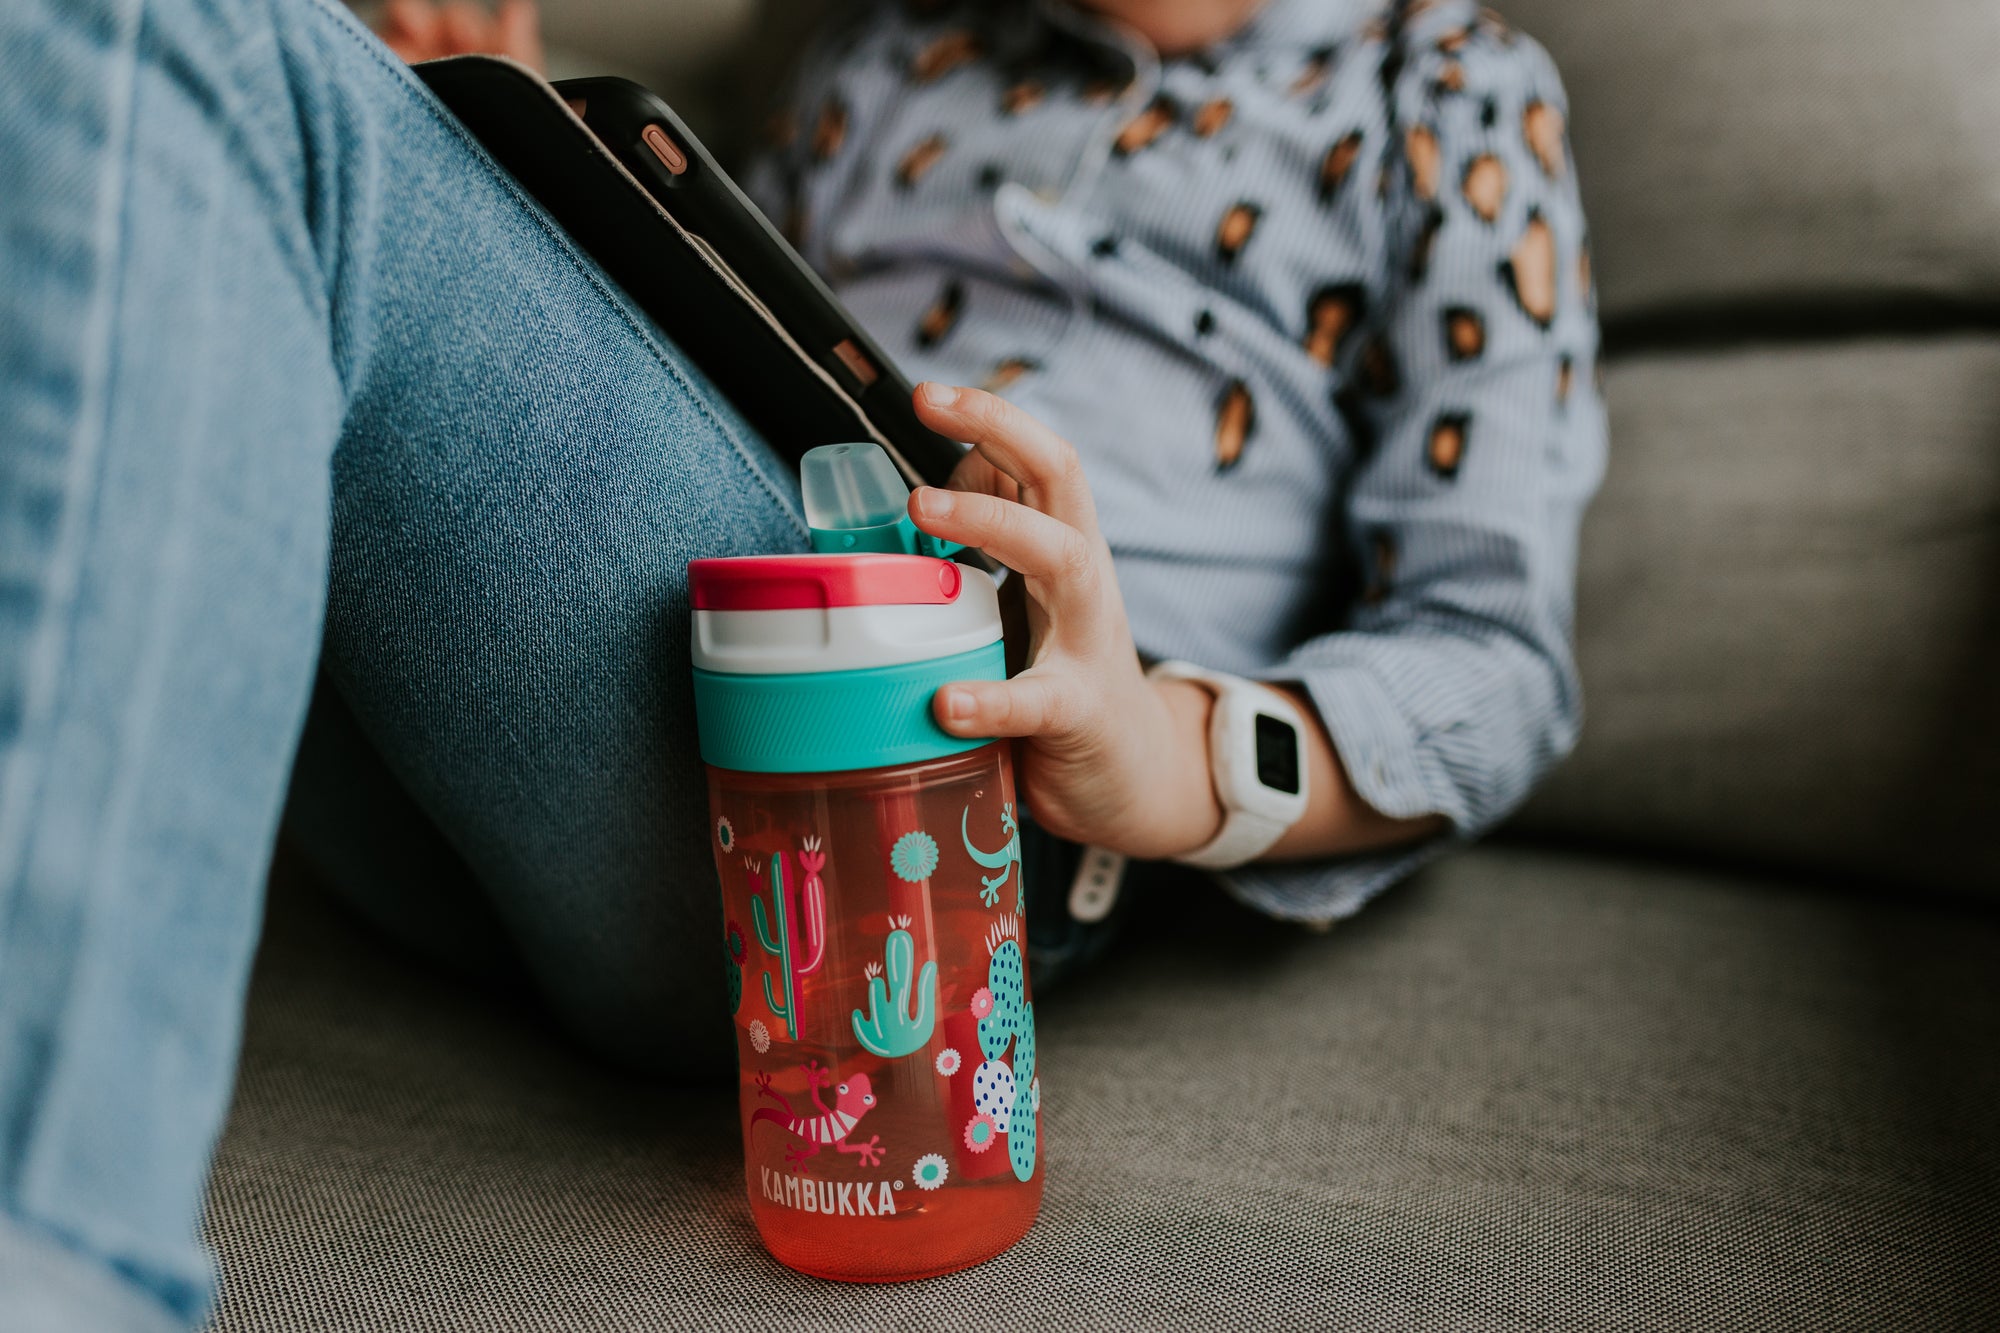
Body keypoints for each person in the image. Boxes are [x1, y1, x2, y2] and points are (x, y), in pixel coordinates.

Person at [0, 0, 1603, 1325]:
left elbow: (1492, 654)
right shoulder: (872, 52)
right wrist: (443, 175)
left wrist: (1171, 748)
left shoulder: (1448, 96)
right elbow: (701, 370)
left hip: (928, 816)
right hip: (493, 755)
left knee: (159, 42)